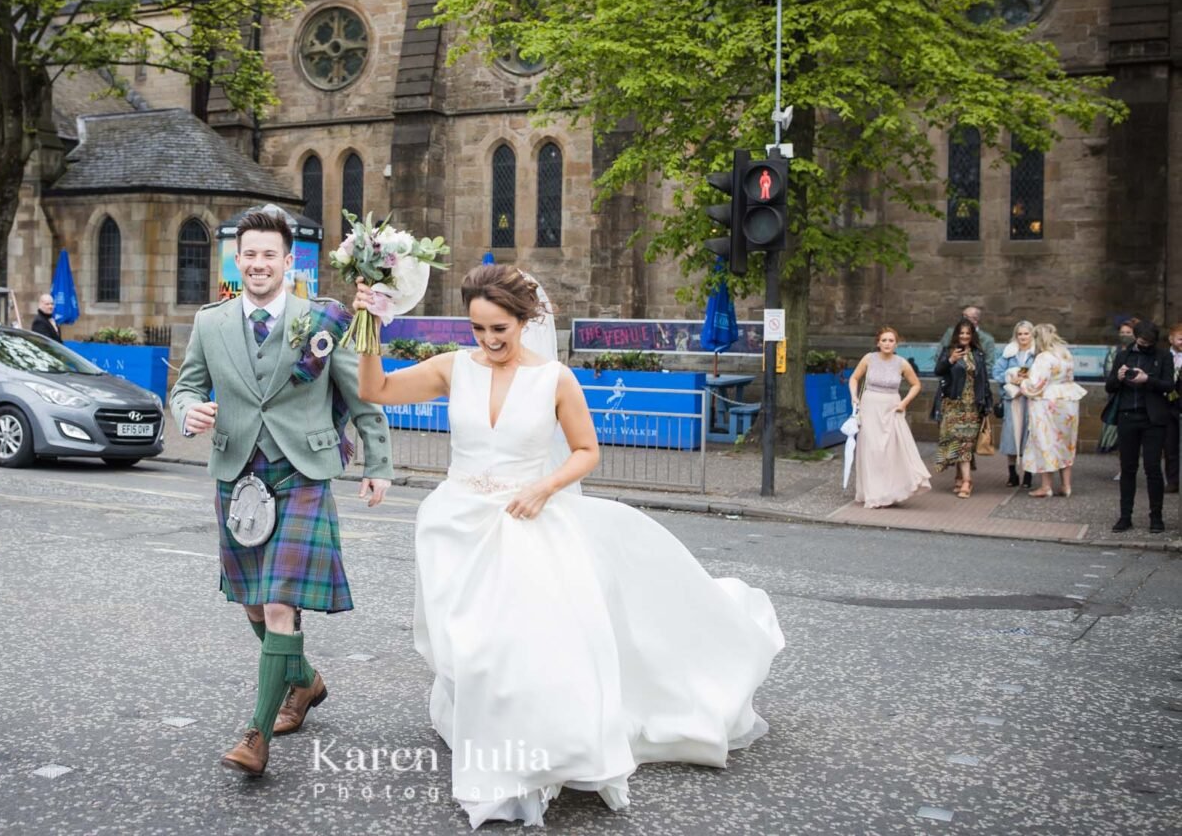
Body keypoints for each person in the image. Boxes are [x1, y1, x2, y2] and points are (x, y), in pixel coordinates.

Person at [352, 265, 784, 828]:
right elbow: (374, 389)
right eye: (479, 328)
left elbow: (585, 450)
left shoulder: (554, 379)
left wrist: (544, 486)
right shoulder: (452, 368)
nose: (489, 340)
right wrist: (368, 322)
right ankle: (495, 729)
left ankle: (526, 762)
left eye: (500, 328)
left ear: (526, 321)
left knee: (516, 648)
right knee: (469, 648)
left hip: (527, 522)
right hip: (456, 526)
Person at [169, 208, 394, 776]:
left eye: (271, 254)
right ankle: (305, 681)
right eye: (250, 254)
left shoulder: (320, 319)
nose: (259, 263)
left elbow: (362, 395)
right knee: (249, 598)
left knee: (277, 603)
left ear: (288, 262)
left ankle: (256, 735)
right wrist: (186, 411)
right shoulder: (211, 322)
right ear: (236, 259)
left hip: (301, 475)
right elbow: (187, 385)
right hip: (237, 475)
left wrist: (379, 463)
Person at [847, 326, 931, 508]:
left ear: (896, 344)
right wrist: (854, 396)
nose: (887, 344)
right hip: (870, 407)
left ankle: (889, 491)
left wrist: (904, 403)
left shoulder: (901, 363)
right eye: (884, 340)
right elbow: (854, 378)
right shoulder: (868, 359)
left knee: (889, 450)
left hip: (892, 408)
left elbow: (916, 384)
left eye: (891, 340)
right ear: (878, 343)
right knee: (871, 450)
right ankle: (873, 493)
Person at [1104, 320, 1174, 533]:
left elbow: (1169, 385)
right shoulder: (1124, 356)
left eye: (1149, 342)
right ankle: (1125, 516)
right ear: (1135, 337)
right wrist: (1119, 377)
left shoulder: (1163, 356)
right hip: (1127, 416)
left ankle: (1156, 517)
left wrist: (1147, 379)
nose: (1146, 345)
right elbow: (1110, 386)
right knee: (1128, 469)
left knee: (1152, 468)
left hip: (1153, 419)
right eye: (1142, 341)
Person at [1015, 324, 1085, 498]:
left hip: (1047, 403)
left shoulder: (1043, 357)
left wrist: (1020, 382)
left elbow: (1036, 385)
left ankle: (1046, 487)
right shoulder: (1065, 354)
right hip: (1068, 402)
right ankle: (1066, 485)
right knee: (1066, 443)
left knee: (1046, 442)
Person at [932, 318, 992, 498]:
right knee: (955, 441)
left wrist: (987, 403)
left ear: (972, 335)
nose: (964, 336)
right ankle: (960, 477)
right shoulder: (948, 351)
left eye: (968, 333)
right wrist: (950, 360)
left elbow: (984, 380)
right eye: (962, 333)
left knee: (966, 443)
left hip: (972, 405)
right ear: (956, 334)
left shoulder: (978, 354)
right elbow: (938, 371)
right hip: (953, 404)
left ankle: (966, 481)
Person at [992, 321, 1037, 488]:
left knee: (1029, 436)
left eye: (1026, 333)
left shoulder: (1037, 353)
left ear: (1032, 335)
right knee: (1011, 435)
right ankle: (1012, 473)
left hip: (1030, 400)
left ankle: (1028, 475)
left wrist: (1026, 377)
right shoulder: (1008, 353)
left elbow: (1042, 373)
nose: (1023, 337)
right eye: (1020, 334)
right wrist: (1011, 377)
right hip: (1013, 400)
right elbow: (997, 372)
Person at [1097, 317, 1139, 461]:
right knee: (1117, 432)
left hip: (1133, 395)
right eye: (1122, 332)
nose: (1124, 335)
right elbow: (1107, 372)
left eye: (1128, 332)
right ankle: (1123, 465)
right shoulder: (1114, 351)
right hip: (1116, 395)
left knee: (1130, 436)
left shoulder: (1138, 351)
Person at [1164, 323, 1182, 494]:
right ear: (1171, 339)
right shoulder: (1164, 357)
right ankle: (1173, 480)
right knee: (1170, 446)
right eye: (1180, 338)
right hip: (1168, 407)